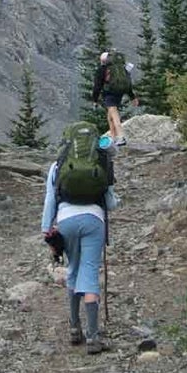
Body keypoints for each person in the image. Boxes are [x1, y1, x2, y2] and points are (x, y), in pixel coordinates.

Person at [41, 124, 120, 354]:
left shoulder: (58, 165)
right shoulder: (101, 161)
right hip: (94, 221)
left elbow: (50, 199)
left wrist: (47, 229)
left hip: (66, 220)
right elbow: (111, 202)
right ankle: (93, 338)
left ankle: (75, 328)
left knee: (73, 269)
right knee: (90, 273)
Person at [92, 50, 139, 146]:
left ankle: (121, 137)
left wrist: (95, 100)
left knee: (113, 112)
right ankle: (113, 138)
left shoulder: (102, 69)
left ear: (103, 60)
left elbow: (97, 86)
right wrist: (132, 97)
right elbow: (128, 84)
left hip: (109, 94)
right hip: (119, 93)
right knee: (110, 116)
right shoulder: (121, 69)